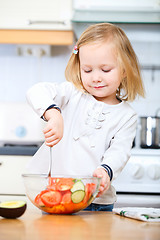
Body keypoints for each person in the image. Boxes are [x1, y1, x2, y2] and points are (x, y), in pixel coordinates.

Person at [26, 23, 145, 211]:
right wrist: (54, 114)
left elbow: (119, 152)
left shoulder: (126, 116)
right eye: (87, 70)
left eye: (105, 70)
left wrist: (105, 171)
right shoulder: (72, 93)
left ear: (124, 70)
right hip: (57, 195)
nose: (95, 77)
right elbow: (36, 91)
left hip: (96, 201)